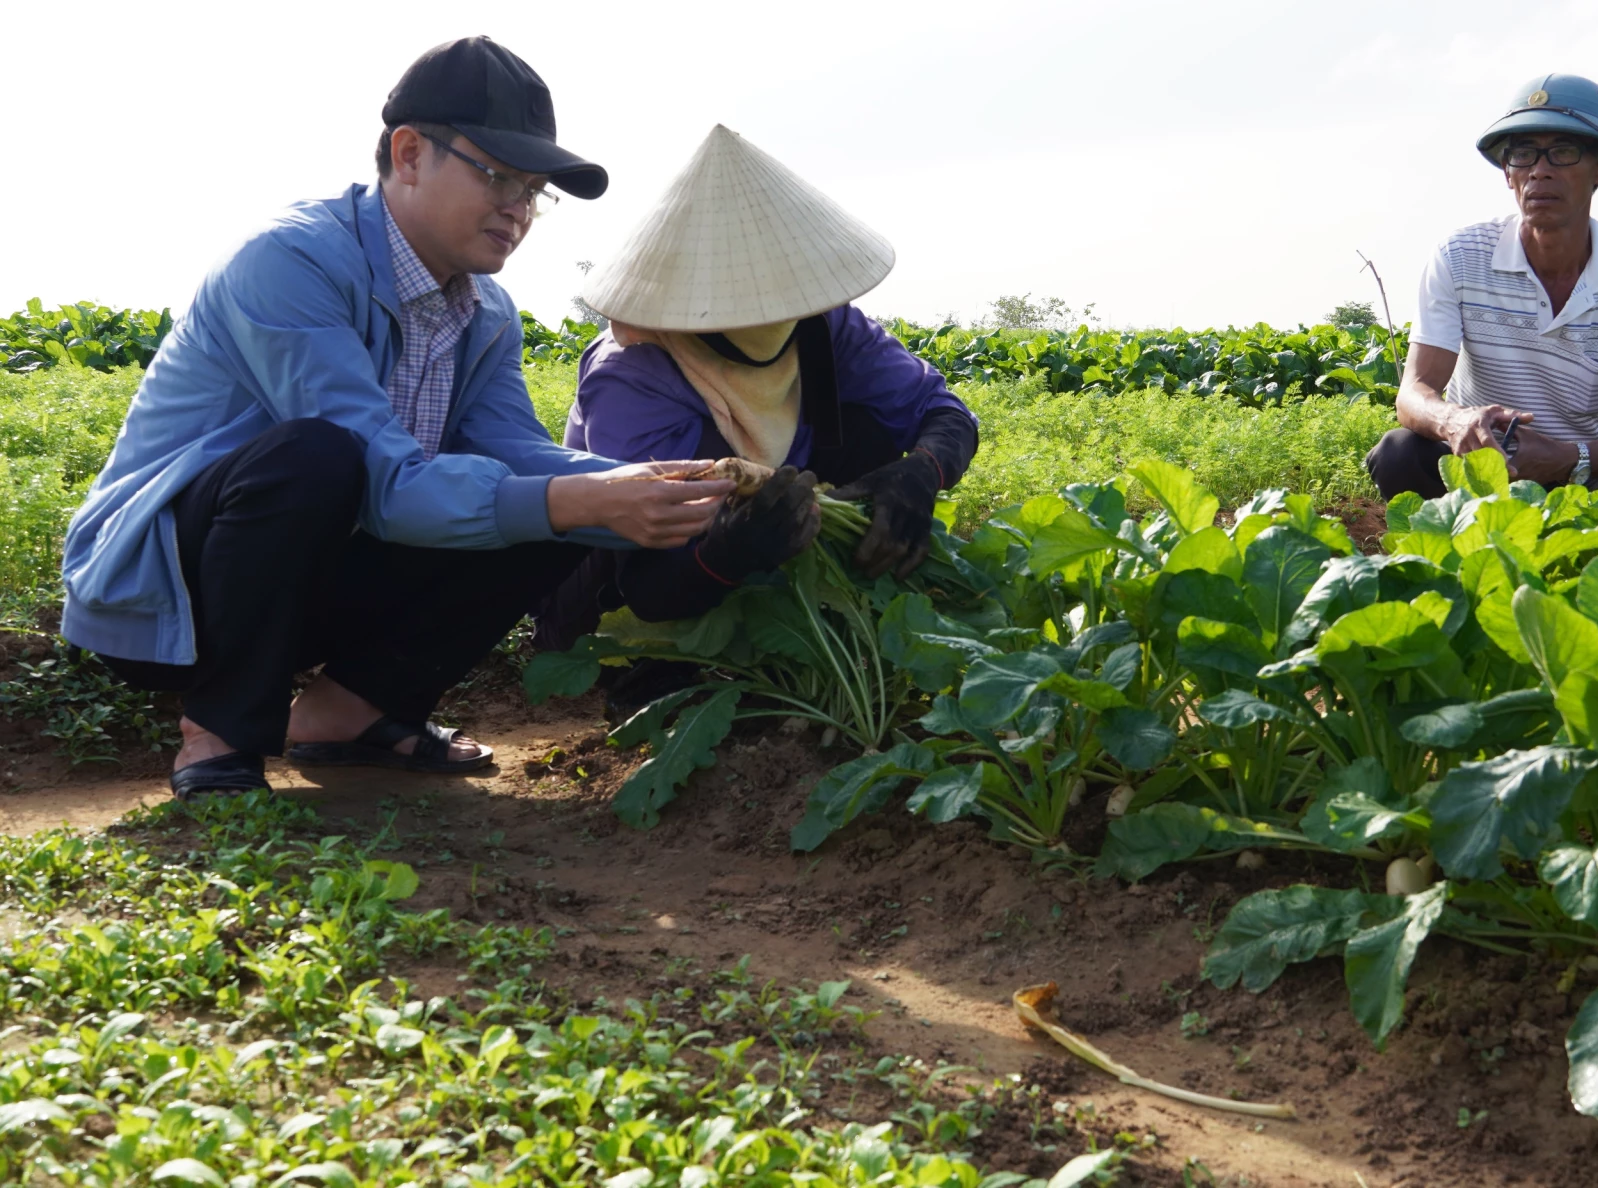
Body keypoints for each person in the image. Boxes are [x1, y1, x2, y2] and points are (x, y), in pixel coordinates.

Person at [60, 37, 733, 800]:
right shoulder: (292, 261)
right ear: (409, 153)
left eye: (534, 189)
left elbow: (513, 449)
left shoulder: (485, 312)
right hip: (172, 597)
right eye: (500, 176)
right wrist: (577, 498)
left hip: (315, 578)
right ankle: (219, 732)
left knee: (549, 503)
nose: (519, 208)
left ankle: (348, 712)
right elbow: (377, 476)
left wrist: (668, 489)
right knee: (317, 455)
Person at [533, 125, 977, 669]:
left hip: (760, 553)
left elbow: (943, 410)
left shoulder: (824, 326)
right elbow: (647, 574)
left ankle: (831, 617)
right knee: (660, 650)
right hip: (622, 586)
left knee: (870, 430)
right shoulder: (635, 371)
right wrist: (731, 552)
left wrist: (923, 472)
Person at [1367, 74, 1598, 500]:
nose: (1540, 170)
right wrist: (1455, 421)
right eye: (1522, 155)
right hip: (1483, 465)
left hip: (1587, 470)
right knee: (1398, 453)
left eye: (1563, 152)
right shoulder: (1460, 256)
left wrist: (1570, 457)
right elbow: (1415, 392)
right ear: (1507, 172)